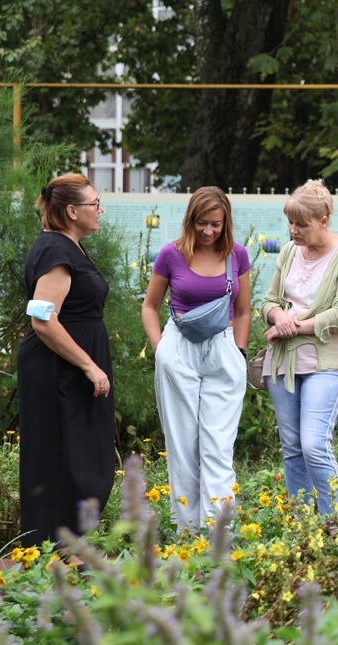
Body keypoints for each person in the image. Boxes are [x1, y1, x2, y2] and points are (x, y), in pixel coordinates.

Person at [142, 186, 252, 533]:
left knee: (218, 447)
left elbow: (244, 310)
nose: (208, 231)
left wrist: (240, 351)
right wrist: (161, 350)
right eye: (202, 223)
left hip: (222, 347)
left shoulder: (238, 255)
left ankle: (219, 535)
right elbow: (149, 307)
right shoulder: (171, 255)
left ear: (226, 223)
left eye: (216, 225)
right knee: (183, 446)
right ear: (191, 219)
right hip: (179, 348)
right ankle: (187, 532)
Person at [17, 173, 116, 548]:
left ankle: (69, 543)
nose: (100, 210)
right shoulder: (56, 252)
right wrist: (89, 366)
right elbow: (43, 320)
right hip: (59, 370)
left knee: (84, 457)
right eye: (94, 204)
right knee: (62, 458)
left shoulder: (67, 246)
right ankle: (54, 548)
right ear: (72, 211)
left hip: (71, 368)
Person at [261, 180, 338, 515]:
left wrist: (295, 326)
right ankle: (303, 527)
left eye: (302, 224)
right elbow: (269, 301)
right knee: (292, 448)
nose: (293, 230)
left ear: (323, 220)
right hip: (283, 361)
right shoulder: (291, 251)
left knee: (313, 445)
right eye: (290, 223)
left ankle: (337, 525)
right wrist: (278, 316)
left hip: (326, 361)